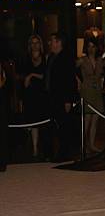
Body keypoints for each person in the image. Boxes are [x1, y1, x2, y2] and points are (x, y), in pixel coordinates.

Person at [45, 32, 76, 161]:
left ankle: (64, 154)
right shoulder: (52, 57)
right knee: (56, 126)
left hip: (62, 98)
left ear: (58, 42)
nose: (49, 43)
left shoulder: (66, 58)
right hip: (53, 97)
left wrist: (68, 100)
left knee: (64, 126)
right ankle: (56, 153)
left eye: (52, 41)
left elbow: (69, 80)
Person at [76, 37, 105, 154]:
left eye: (93, 46)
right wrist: (78, 81)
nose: (91, 49)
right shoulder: (82, 60)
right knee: (87, 119)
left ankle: (91, 145)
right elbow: (70, 70)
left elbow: (102, 74)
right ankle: (83, 145)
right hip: (86, 90)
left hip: (97, 90)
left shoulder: (100, 60)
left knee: (95, 119)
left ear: (97, 47)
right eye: (89, 46)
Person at [22, 34, 48, 159]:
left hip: (42, 94)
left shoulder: (45, 58)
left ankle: (44, 148)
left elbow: (46, 76)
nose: (35, 45)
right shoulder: (26, 59)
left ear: (40, 44)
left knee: (43, 121)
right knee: (32, 122)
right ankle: (35, 148)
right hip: (30, 95)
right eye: (32, 43)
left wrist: (32, 75)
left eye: (37, 42)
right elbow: (21, 76)